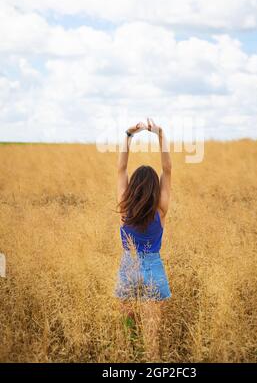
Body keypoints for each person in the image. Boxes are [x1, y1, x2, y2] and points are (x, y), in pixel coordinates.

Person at [115, 118, 172, 361]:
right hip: (153, 269)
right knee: (152, 336)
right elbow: (168, 170)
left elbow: (121, 169)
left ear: (133, 187)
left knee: (128, 332)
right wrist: (160, 134)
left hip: (128, 267)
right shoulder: (161, 209)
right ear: (155, 189)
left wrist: (129, 135)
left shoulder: (125, 208)